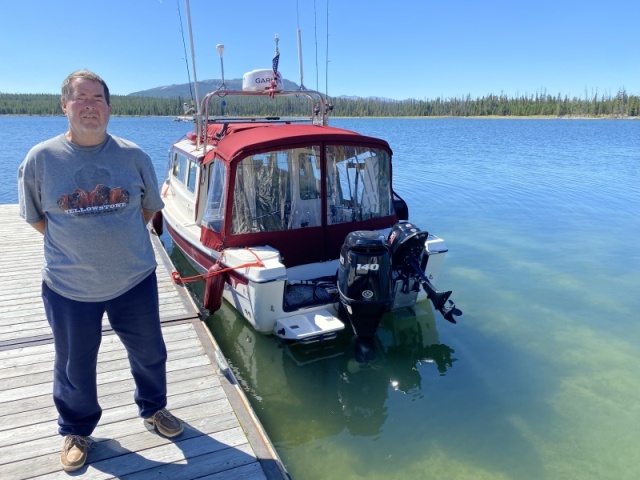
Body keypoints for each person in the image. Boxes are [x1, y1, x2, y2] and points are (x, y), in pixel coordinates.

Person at [17, 69, 183, 472]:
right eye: (81, 98)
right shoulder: (40, 159)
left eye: (98, 99)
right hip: (68, 287)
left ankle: (154, 408)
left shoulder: (133, 155)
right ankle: (76, 429)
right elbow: (37, 218)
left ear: (109, 108)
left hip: (134, 280)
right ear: (65, 106)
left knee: (150, 353)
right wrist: (80, 246)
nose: (90, 106)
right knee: (73, 365)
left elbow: (147, 210)